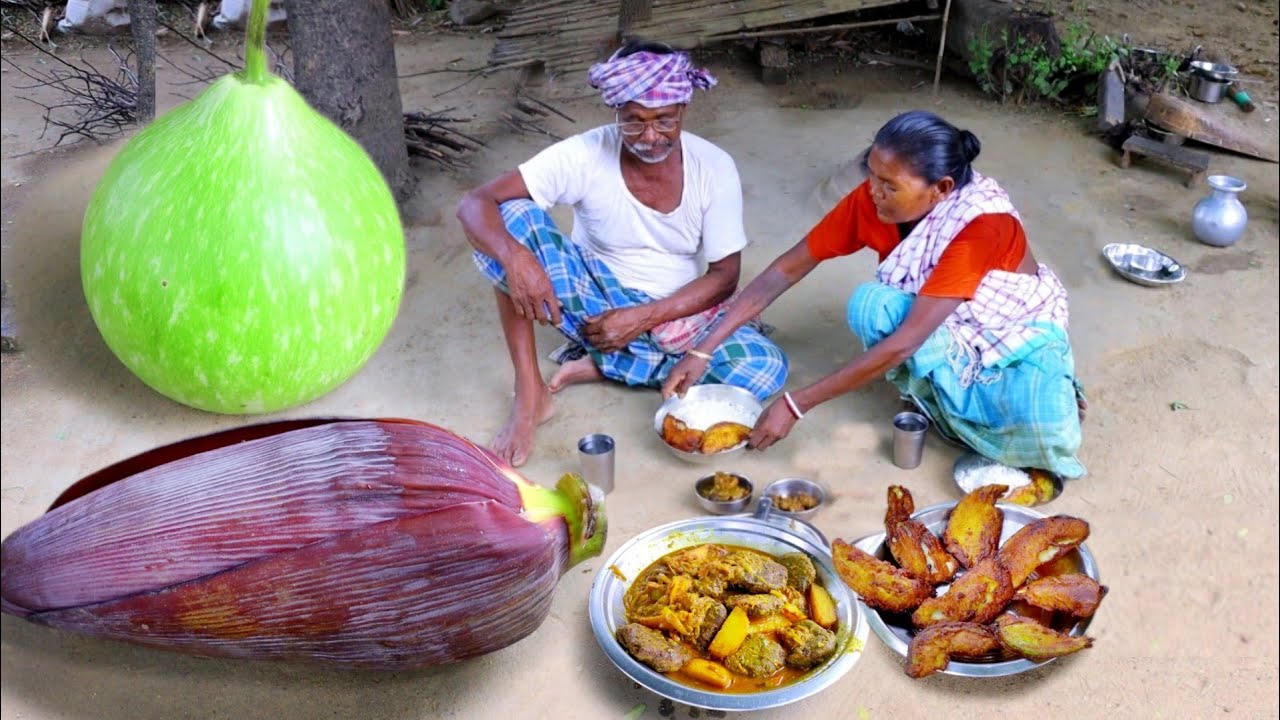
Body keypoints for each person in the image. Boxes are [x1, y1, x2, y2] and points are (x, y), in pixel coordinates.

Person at [662, 110, 1087, 478]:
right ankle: (938, 402)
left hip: (1010, 336)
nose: (873, 192)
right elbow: (786, 269)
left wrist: (795, 404)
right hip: (940, 323)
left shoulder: (981, 226)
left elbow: (906, 342)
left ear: (940, 189)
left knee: (1048, 433)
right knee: (873, 306)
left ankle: (1041, 387)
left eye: (889, 185)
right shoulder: (874, 200)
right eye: (871, 175)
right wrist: (703, 349)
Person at [457, 40, 788, 467]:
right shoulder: (585, 154)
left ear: (683, 109)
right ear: (616, 113)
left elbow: (725, 277)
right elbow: (475, 203)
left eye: (664, 120)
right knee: (512, 218)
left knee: (765, 369)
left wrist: (644, 318)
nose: (650, 137)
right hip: (594, 305)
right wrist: (516, 259)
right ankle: (531, 393)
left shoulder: (714, 166)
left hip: (678, 311)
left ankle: (606, 364)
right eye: (634, 122)